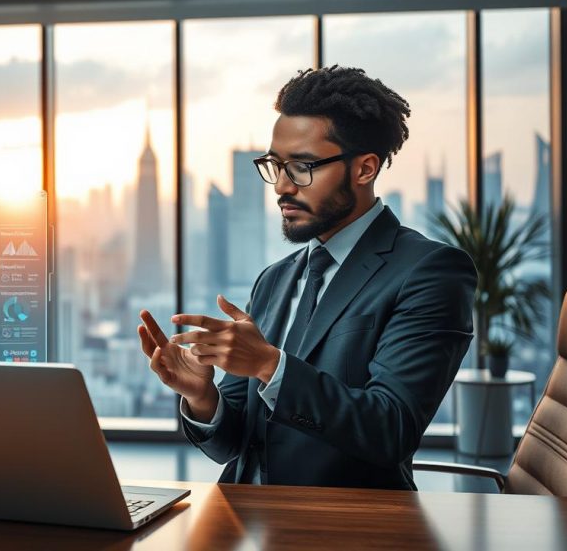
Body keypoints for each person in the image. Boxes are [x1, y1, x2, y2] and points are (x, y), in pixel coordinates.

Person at [138, 66, 477, 490]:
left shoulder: (429, 272)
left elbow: (391, 429)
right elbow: (234, 445)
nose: (281, 186)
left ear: (365, 169)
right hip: (246, 517)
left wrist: (267, 363)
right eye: (274, 166)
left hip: (343, 524)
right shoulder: (275, 280)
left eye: (301, 167)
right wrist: (202, 397)